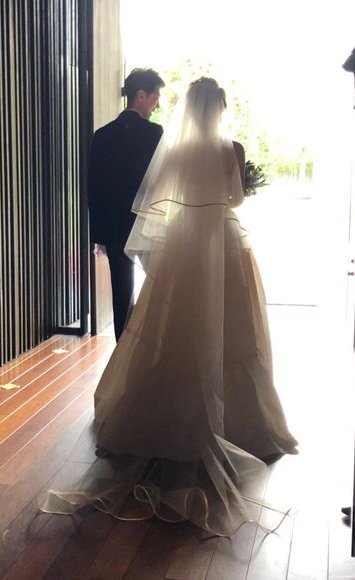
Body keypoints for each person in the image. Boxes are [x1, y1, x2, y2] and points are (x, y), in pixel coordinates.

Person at [40, 78, 298, 536]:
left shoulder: (174, 150)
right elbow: (236, 198)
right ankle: (241, 418)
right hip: (225, 238)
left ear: (188, 109)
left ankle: (169, 404)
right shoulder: (232, 148)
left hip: (185, 240)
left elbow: (156, 197)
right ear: (220, 109)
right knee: (235, 325)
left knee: (175, 323)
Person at [88, 68, 164, 340]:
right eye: (155, 98)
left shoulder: (102, 135)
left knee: (121, 292)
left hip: (113, 228)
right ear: (141, 95)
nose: (156, 105)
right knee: (159, 286)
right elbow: (160, 182)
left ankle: (123, 347)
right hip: (145, 224)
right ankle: (154, 341)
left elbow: (94, 187)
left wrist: (99, 235)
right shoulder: (155, 133)